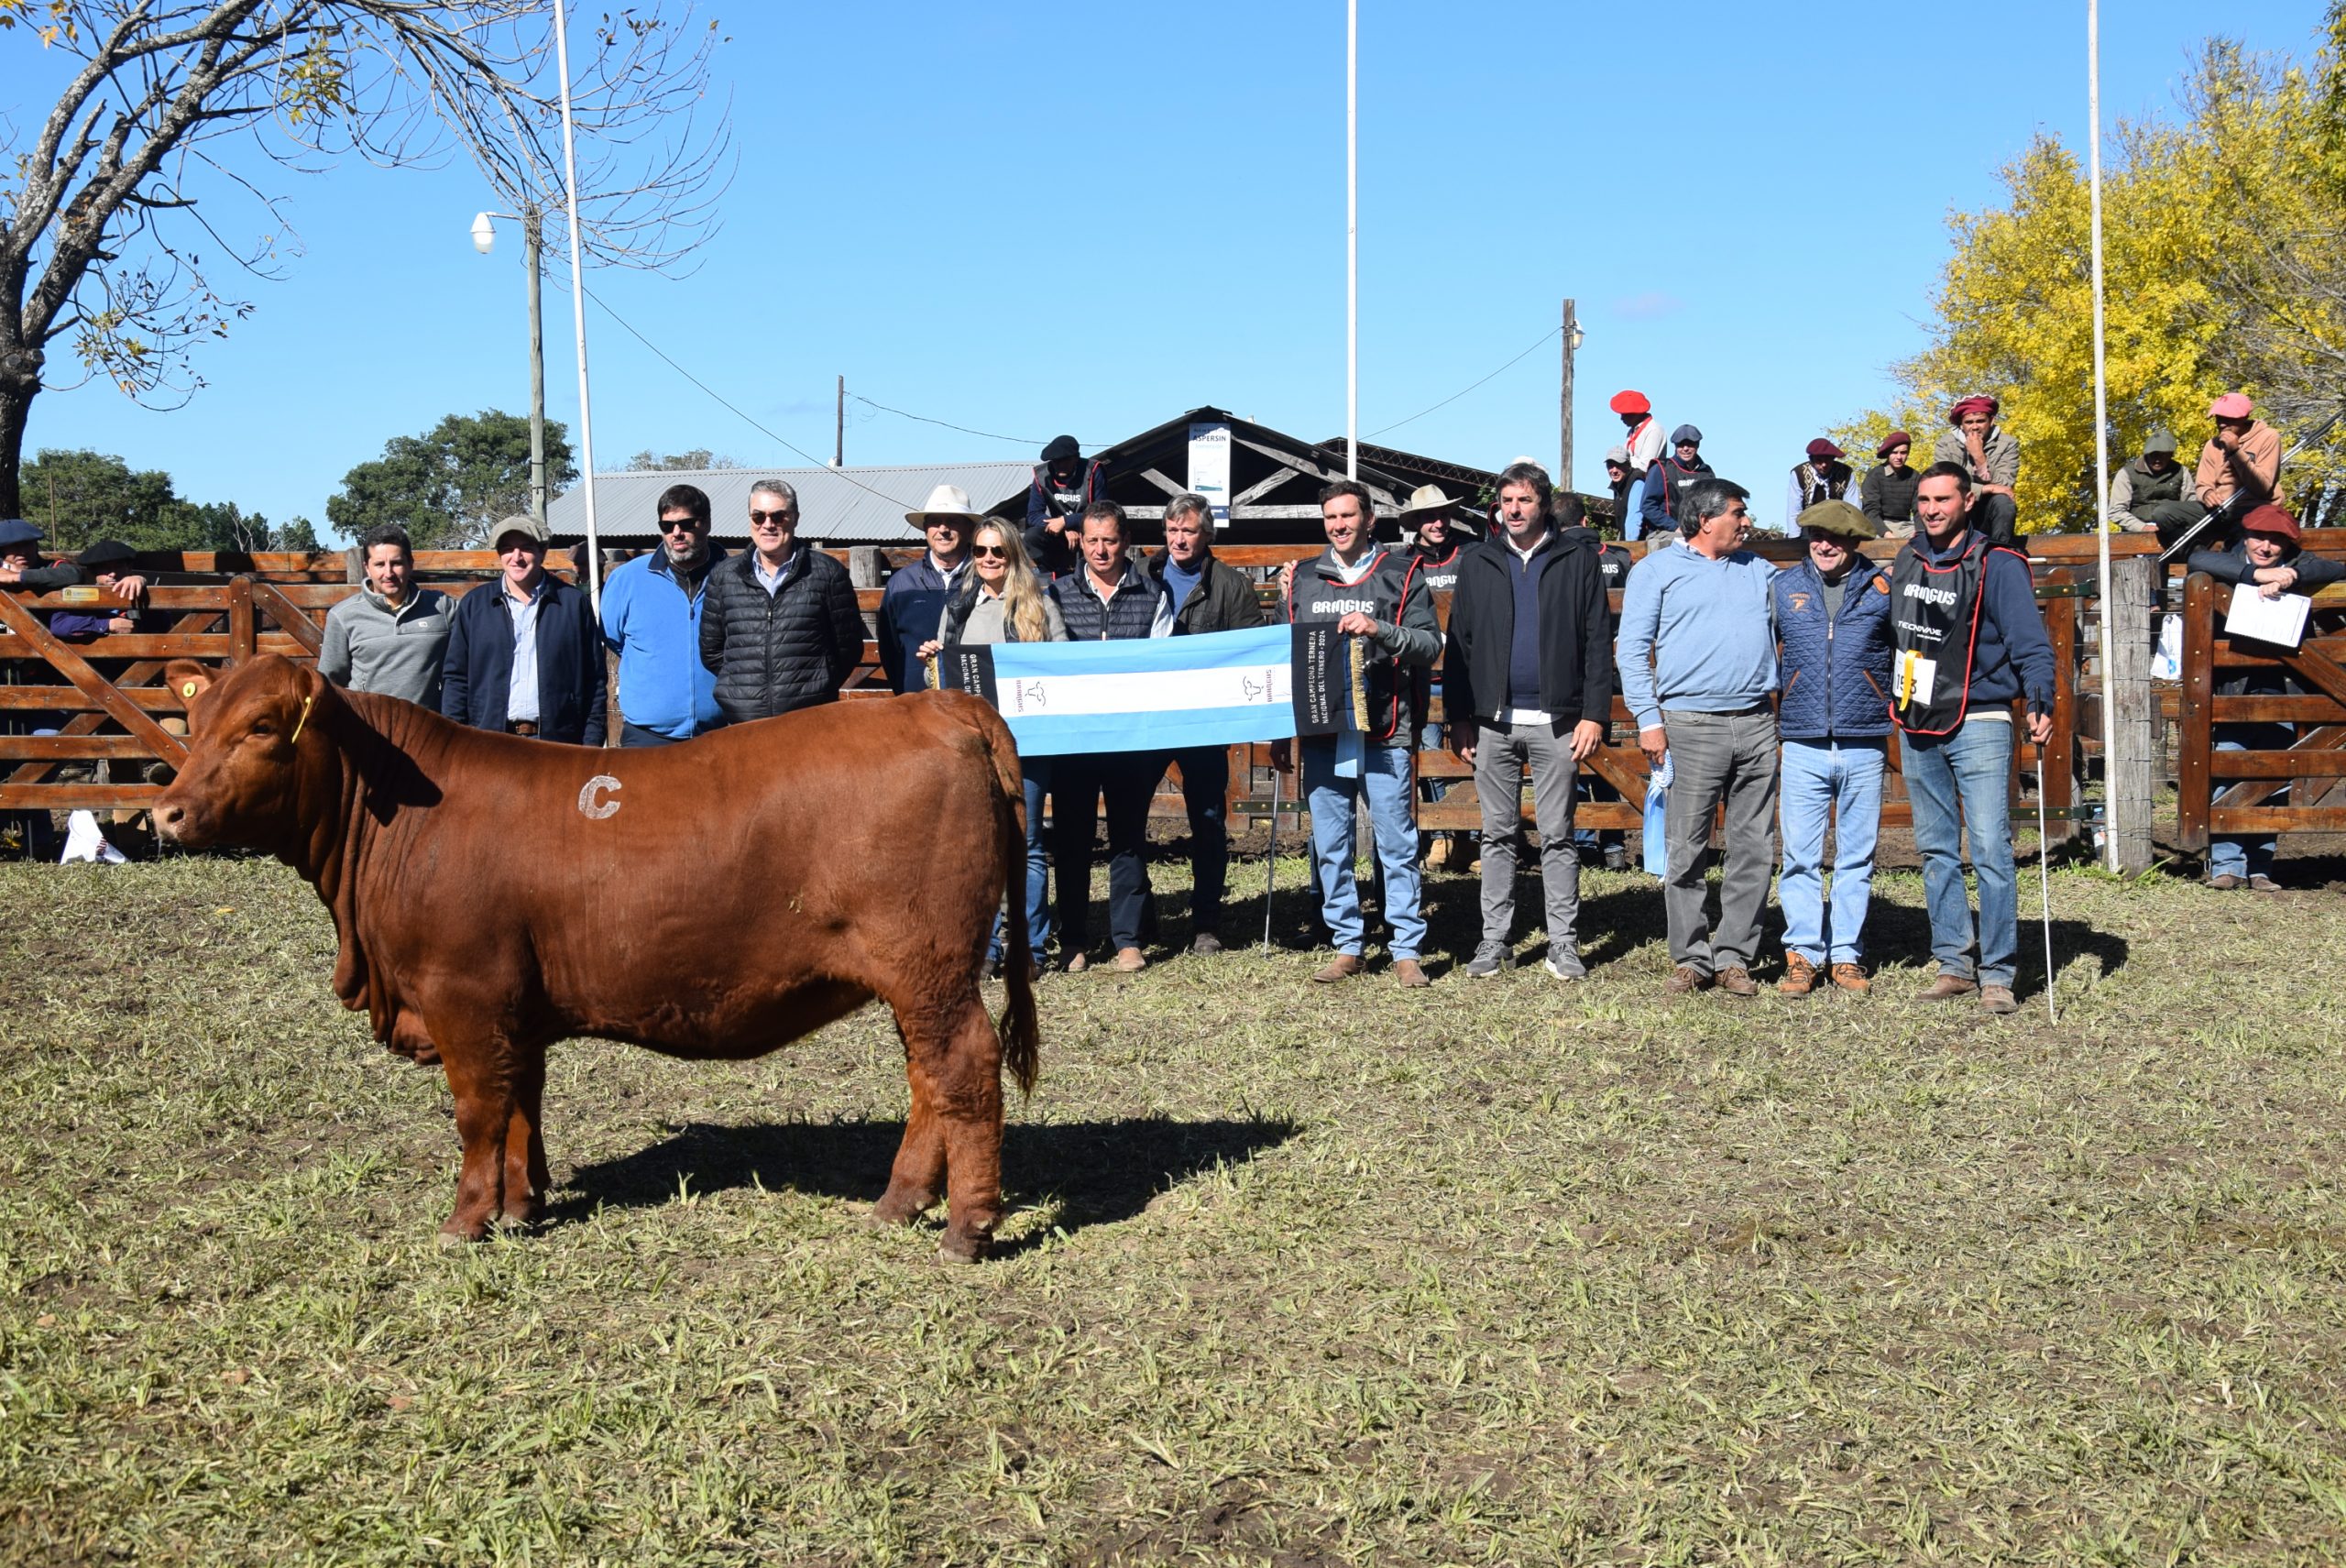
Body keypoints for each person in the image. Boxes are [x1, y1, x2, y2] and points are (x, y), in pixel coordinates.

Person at [1889, 463, 2056, 1015]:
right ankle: (1954, 963)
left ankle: (1999, 973)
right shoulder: (1908, 556)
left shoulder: (2000, 563)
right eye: (1924, 500)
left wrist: (2039, 698)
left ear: (1967, 503)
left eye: (1942, 499)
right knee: (1936, 849)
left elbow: (2029, 639)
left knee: (1989, 848)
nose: (1931, 509)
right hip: (1917, 716)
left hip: (1981, 717)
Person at [1442, 463, 1616, 981]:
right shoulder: (1479, 560)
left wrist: (1594, 714)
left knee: (1559, 834)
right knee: (1497, 834)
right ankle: (1494, 940)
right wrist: (1459, 717)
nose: (1514, 510)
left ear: (1543, 505)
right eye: (1506, 501)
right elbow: (1461, 645)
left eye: (1525, 501)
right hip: (1492, 722)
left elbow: (1596, 641)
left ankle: (1563, 943)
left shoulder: (1577, 559)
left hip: (1559, 721)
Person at [1616, 478, 1779, 998]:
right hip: (1689, 725)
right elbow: (1632, 649)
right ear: (1706, 519)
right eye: (1739, 513)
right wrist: (1649, 720)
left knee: (1753, 846)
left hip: (1757, 722)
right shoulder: (1656, 571)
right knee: (1686, 847)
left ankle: (1735, 956)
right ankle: (1691, 955)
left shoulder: (1761, 572)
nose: (1747, 522)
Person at [1277, 479, 1442, 986]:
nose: (1339, 526)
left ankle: (1406, 946)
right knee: (1331, 842)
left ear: (1370, 519)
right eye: (1331, 518)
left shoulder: (1402, 571)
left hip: (1385, 728)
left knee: (1396, 842)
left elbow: (1430, 644)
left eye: (1348, 516)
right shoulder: (1303, 578)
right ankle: (1347, 941)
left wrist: (1380, 631)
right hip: (1325, 732)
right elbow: (1288, 657)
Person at [917, 520, 1069, 973]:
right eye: (981, 550)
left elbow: (1061, 668)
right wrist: (933, 659)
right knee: (979, 844)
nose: (987, 559)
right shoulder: (960, 605)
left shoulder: (1040, 606)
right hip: (972, 744)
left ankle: (1029, 947)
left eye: (997, 552)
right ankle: (985, 947)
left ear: (1013, 556)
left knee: (1028, 842)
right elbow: (941, 682)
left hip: (1027, 743)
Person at [1771, 500, 1894, 997]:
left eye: (1837, 538)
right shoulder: (1783, 588)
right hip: (1801, 739)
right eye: (1818, 535)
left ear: (1856, 542)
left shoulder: (1884, 589)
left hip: (1864, 739)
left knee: (1856, 856)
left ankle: (1845, 955)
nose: (1825, 545)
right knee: (1799, 855)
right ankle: (1802, 953)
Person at [2186, 503, 2341, 891]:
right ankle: (2227, 865)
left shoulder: (2296, 562)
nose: (2266, 547)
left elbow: (2337, 568)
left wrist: (2292, 574)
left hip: (2285, 691)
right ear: (2246, 536)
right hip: (2232, 690)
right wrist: (2254, 575)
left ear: (2288, 545)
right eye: (2259, 537)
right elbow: (2197, 560)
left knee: (2275, 777)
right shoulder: (2228, 560)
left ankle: (2260, 867)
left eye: (2276, 541)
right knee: (2228, 769)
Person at [1049, 500, 1172, 972]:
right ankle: (1074, 939)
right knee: (1073, 841)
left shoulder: (1152, 593)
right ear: (1080, 540)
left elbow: (1161, 665)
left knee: (1128, 839)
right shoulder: (1057, 595)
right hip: (1075, 739)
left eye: (1111, 540)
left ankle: (1127, 939)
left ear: (1125, 541)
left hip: (1130, 739)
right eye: (1092, 540)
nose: (1101, 550)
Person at [1146, 491, 1267, 952]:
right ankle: (1140, 919)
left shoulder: (1232, 586)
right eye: (1173, 530)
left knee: (1209, 821)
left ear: (1206, 535)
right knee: (1129, 815)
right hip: (1149, 719)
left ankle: (1206, 923)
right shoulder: (1141, 577)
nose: (1179, 538)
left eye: (1189, 530)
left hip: (1203, 721)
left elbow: (1252, 650)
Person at [697, 480, 867, 726]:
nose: (768, 525)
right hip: (744, 723)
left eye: (778, 515)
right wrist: (743, 689)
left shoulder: (827, 574)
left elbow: (848, 648)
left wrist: (818, 686)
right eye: (758, 516)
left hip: (808, 723)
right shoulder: (725, 576)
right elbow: (711, 650)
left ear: (795, 518)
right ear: (750, 519)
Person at [442, 514, 607, 744]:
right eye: (508, 549)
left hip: (559, 743)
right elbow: (456, 677)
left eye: (526, 548)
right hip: (488, 742)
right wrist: (455, 739)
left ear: (543, 551)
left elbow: (594, 680)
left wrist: (592, 742)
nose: (516, 557)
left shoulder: (573, 604)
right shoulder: (475, 605)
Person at [598, 485, 726, 745]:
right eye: (667, 527)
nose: (676, 533)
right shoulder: (627, 580)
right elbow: (614, 638)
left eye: (686, 524)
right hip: (647, 739)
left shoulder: (734, 577)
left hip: (721, 735)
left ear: (707, 524)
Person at [1399, 484, 1473, 871]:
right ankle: (1441, 834)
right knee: (1427, 756)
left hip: (1467, 674)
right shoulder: (1403, 564)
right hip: (1423, 677)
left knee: (1471, 754)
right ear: (1416, 523)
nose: (1438, 522)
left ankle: (1472, 838)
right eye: (1430, 516)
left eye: (1443, 515)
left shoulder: (1471, 557)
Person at [1562, 502, 1634, 871]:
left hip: (1568, 676)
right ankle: (1614, 844)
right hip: (1616, 675)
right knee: (1613, 756)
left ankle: (1585, 841)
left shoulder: (1558, 557)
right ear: (1587, 521)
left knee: (1573, 756)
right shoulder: (1619, 558)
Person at [317, 524, 456, 708]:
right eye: (380, 564)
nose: (388, 573)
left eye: (396, 563)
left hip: (426, 731)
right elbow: (329, 683)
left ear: (410, 564)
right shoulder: (343, 616)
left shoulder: (442, 608)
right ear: (367, 568)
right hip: (368, 731)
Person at [878, 484, 979, 693]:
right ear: (925, 529)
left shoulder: (986, 578)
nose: (943, 529)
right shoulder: (901, 583)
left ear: (969, 529)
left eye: (952, 521)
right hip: (916, 703)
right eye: (935, 522)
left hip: (976, 698)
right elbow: (890, 648)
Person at [1931, 396, 2020, 547]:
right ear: (1961, 425)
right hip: (1961, 507)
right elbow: (1945, 485)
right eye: (1969, 422)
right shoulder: (1945, 444)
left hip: (1991, 508)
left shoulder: (2008, 444)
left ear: (1991, 421)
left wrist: (1979, 456)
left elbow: (2005, 485)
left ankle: (2001, 552)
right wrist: (1986, 488)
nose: (1975, 427)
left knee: (2004, 503)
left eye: (1980, 421)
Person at [2195, 392, 2284, 527]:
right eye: (2218, 418)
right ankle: (2197, 548)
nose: (2221, 424)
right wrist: (2207, 493)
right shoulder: (2212, 445)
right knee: (2165, 513)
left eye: (2227, 418)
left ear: (2244, 417)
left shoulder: (2269, 437)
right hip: (2219, 508)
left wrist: (2235, 452)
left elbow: (2262, 488)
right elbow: (2203, 483)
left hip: (2255, 507)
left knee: (2243, 536)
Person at [1025, 434, 1104, 579]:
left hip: (1089, 532)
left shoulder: (1093, 472)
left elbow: (1102, 512)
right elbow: (1033, 514)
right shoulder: (1041, 476)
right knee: (1032, 536)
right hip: (1058, 533)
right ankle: (1049, 574)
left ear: (1076, 458)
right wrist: (1063, 528)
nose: (1059, 465)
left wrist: (1068, 521)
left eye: (1064, 461)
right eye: (1056, 462)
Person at [2107, 428, 2199, 544]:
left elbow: (2190, 503)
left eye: (2162, 455)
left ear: (2170, 455)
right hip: (2138, 533)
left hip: (2174, 530)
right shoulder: (2126, 474)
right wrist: (2141, 527)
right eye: (2153, 455)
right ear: (2146, 454)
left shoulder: (2181, 471)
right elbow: (2116, 511)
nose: (2157, 460)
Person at [1639, 425, 1714, 541]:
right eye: (1680, 444)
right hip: (1666, 533)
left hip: (1699, 532)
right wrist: (1675, 527)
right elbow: (1647, 506)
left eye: (1690, 444)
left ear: (1697, 445)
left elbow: (1714, 505)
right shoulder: (1661, 468)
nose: (1685, 448)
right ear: (1675, 446)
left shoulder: (1706, 472)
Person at [1783, 438, 1856, 532]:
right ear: (1811, 460)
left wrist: (1854, 535)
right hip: (1808, 527)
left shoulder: (1846, 473)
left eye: (1828, 460)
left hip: (1838, 528)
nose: (1824, 464)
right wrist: (1795, 539)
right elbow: (1794, 510)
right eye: (1819, 460)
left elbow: (1853, 508)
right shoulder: (1799, 473)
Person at [1860, 432, 1921, 538]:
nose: (1899, 457)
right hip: (1881, 525)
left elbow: (1919, 510)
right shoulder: (1875, 476)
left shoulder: (1914, 476)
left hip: (1907, 526)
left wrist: (1920, 532)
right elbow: (1871, 510)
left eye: (1903, 453)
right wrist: (1886, 533)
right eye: (1894, 452)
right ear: (1888, 454)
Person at [1610, 389, 1665, 477]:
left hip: (1647, 484)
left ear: (1636, 414)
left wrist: (1623, 461)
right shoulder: (1632, 432)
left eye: (1625, 414)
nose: (1622, 418)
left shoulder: (1654, 430)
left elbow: (1646, 465)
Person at [1603, 445, 1637, 534]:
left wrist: (1630, 544)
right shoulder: (1617, 486)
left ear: (1628, 465)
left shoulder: (1636, 482)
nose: (1614, 470)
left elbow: (1635, 520)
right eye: (1610, 466)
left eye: (1618, 465)